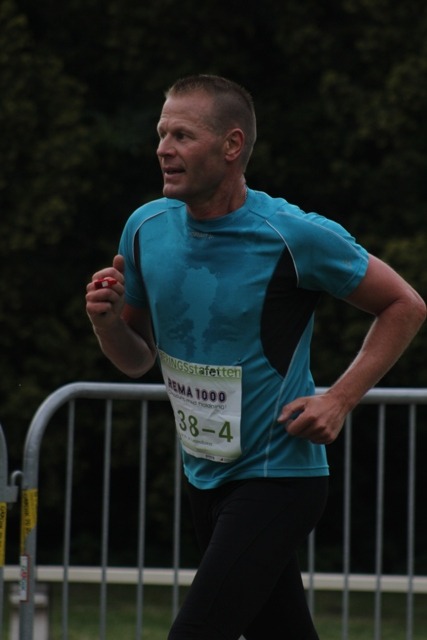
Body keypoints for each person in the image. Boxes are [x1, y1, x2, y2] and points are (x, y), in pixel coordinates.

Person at [86, 74, 426, 640]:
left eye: (182, 135)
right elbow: (136, 359)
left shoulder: (293, 235)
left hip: (278, 478)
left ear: (231, 144)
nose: (163, 149)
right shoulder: (144, 227)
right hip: (204, 477)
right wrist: (105, 323)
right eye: (161, 133)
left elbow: (404, 305)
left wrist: (339, 399)